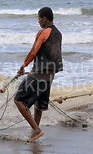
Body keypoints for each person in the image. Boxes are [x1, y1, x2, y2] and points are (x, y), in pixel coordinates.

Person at [14, 7, 63, 142]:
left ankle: (36, 130)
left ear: (44, 19)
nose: (38, 21)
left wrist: (23, 66)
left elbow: (33, 52)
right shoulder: (59, 33)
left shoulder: (43, 32)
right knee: (39, 105)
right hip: (50, 75)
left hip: (39, 74)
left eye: (39, 19)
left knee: (18, 100)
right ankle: (34, 133)